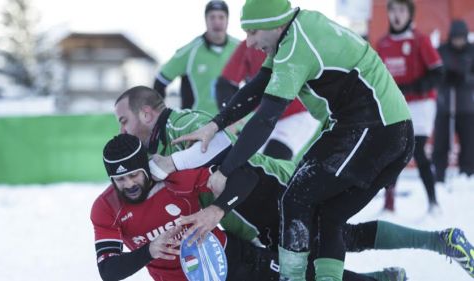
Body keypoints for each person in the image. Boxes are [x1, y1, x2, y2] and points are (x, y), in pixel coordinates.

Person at [114, 85, 474, 280]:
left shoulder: (181, 124)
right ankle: (407, 264)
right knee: (331, 240)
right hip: (254, 206)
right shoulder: (162, 144)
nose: (122, 130)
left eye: (124, 120)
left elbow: (230, 158)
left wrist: (177, 173)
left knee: (310, 252)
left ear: (147, 113)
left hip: (270, 191)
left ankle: (429, 249)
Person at [170, 0, 418, 279]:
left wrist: (226, 170)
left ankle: (293, 276)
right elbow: (257, 86)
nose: (249, 43)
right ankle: (433, 242)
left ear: (275, 25)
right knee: (328, 216)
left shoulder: (295, 46)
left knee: (296, 197)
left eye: (252, 33)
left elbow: (265, 118)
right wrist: (216, 124)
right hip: (379, 127)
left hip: (376, 128)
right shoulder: (295, 28)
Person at [91, 133, 286, 281]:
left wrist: (216, 210)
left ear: (146, 169)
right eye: (120, 179)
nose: (129, 185)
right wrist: (150, 250)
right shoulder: (106, 207)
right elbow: (109, 270)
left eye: (134, 175)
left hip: (234, 260)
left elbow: (246, 177)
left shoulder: (174, 178)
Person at [376, 0, 442, 213]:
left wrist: (413, 87)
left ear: (410, 14)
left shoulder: (420, 40)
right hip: (396, 105)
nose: (397, 15)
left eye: (401, 10)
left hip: (421, 105)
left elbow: (438, 72)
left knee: (418, 151)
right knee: (391, 152)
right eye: (393, 10)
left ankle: (433, 203)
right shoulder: (383, 43)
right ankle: (388, 204)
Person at [216, 40, 320, 161]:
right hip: (265, 112)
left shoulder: (295, 45)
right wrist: (230, 118)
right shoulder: (250, 44)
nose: (252, 36)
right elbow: (226, 84)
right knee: (240, 158)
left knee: (273, 157)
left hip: (298, 113)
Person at [153, 0, 239, 115]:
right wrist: (161, 116)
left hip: (231, 124)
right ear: (205, 20)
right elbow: (160, 81)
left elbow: (256, 82)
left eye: (221, 17)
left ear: (228, 20)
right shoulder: (190, 51)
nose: (217, 22)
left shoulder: (240, 49)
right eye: (212, 17)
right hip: (197, 124)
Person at [433, 19, 474, 185]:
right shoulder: (442, 51)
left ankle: (468, 174)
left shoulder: (472, 51)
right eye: (456, 38)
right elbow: (433, 73)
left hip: (466, 107)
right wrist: (445, 78)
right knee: (441, 142)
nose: (459, 41)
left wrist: (465, 78)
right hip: (445, 106)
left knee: (469, 143)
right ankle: (439, 176)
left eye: (461, 38)